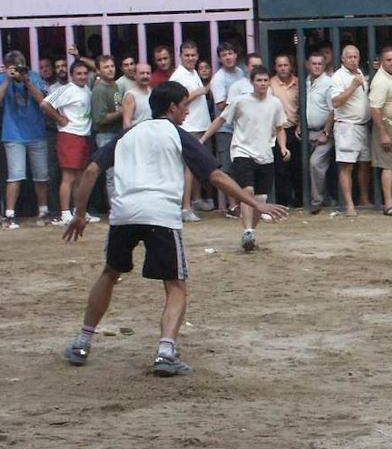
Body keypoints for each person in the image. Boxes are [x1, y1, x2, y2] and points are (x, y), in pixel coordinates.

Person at [60, 81, 288, 377]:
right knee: (175, 284)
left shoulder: (128, 134)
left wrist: (79, 214)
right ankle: (165, 351)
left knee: (110, 272)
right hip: (161, 215)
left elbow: (91, 171)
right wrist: (256, 205)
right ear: (172, 107)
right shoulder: (177, 135)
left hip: (124, 213)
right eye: (184, 106)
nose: (186, 111)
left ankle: (82, 342)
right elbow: (216, 176)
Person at [199, 65, 289, 251]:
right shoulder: (240, 101)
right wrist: (203, 138)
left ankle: (251, 232)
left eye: (265, 80)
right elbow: (221, 120)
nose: (262, 84)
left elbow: (279, 127)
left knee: (261, 198)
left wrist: (283, 147)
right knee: (247, 191)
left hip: (265, 153)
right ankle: (247, 229)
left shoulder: (275, 103)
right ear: (252, 82)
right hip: (242, 151)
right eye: (259, 80)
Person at [2, 51, 51, 228]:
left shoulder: (34, 77)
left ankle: (43, 211)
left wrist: (27, 81)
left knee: (41, 176)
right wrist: (7, 79)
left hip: (36, 132)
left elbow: (43, 102)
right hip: (13, 134)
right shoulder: (3, 78)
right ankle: (9, 215)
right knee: (15, 176)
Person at [169, 42, 213, 221]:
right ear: (180, 56)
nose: (190, 58)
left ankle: (196, 199)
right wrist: (199, 91)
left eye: (193, 55)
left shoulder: (193, 72)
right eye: (187, 55)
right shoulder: (178, 76)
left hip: (201, 125)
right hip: (189, 126)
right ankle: (185, 207)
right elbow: (177, 101)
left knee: (196, 167)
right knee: (188, 168)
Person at [364, 46, 392, 216]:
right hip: (388, 126)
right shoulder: (380, 81)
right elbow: (375, 109)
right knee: (388, 166)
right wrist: (383, 133)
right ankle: (388, 204)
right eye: (388, 60)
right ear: (381, 62)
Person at [330, 45, 372, 216]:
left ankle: (364, 198)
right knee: (347, 166)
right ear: (342, 59)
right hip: (346, 126)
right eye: (350, 57)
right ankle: (349, 205)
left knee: (364, 164)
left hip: (363, 126)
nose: (353, 60)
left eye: (356, 56)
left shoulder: (360, 73)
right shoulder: (338, 76)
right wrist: (353, 86)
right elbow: (336, 102)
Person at [304, 51, 336, 215]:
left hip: (324, 132)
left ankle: (317, 201)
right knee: (315, 167)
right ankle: (327, 198)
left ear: (324, 66)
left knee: (315, 163)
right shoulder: (306, 81)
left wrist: (326, 131)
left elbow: (333, 110)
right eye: (313, 63)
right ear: (308, 65)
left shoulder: (328, 83)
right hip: (307, 132)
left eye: (319, 64)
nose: (316, 66)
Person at [89, 55, 124, 202]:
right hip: (105, 135)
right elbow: (100, 118)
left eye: (112, 66)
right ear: (98, 70)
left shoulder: (115, 85)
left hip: (117, 132)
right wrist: (121, 112)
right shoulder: (100, 90)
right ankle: (114, 208)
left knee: (119, 172)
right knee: (111, 173)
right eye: (106, 67)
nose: (110, 69)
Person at [121, 63, 153, 129]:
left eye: (148, 73)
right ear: (135, 75)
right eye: (142, 73)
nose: (145, 76)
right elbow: (127, 122)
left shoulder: (152, 92)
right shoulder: (130, 95)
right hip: (138, 135)